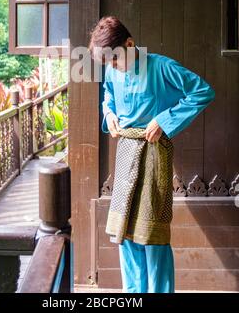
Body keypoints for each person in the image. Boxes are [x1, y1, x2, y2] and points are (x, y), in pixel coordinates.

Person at [88, 16, 215, 294]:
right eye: (107, 63)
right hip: (125, 151)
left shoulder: (161, 66)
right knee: (126, 231)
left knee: (151, 233)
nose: (112, 67)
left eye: (114, 60)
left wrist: (164, 120)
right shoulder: (112, 71)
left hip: (154, 152)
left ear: (130, 44)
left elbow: (202, 92)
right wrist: (108, 113)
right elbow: (108, 96)